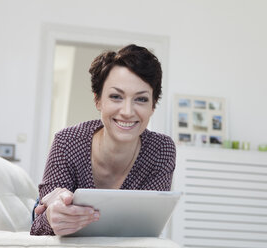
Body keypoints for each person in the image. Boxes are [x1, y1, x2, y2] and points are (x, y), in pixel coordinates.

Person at [30, 44, 176, 236]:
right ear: (98, 100)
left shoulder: (161, 150)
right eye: (116, 96)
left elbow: (145, 230)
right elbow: (38, 228)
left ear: (153, 106)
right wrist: (52, 217)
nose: (127, 112)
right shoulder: (67, 142)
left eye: (141, 99)